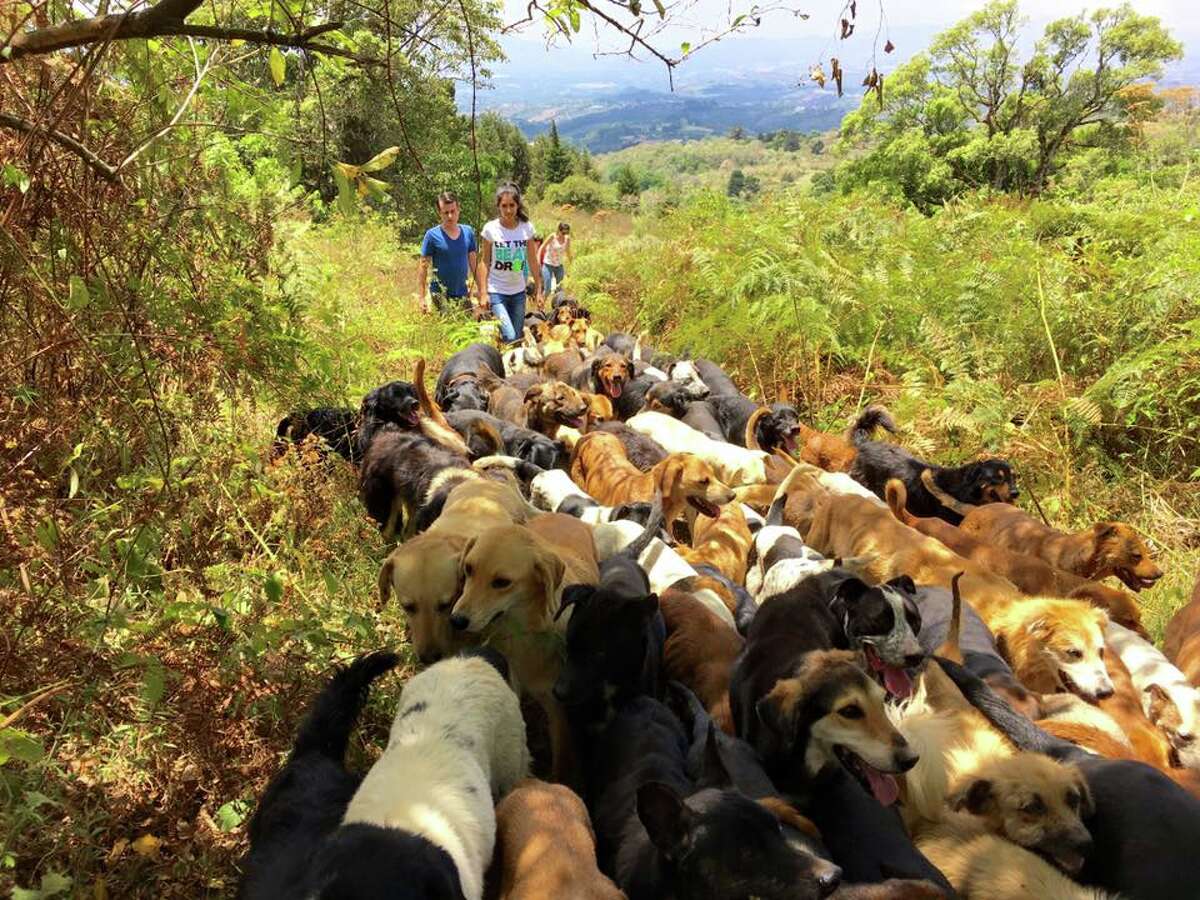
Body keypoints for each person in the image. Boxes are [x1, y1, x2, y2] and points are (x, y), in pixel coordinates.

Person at [478, 182, 541, 344]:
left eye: (512, 205)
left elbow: (533, 260)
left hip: (519, 292)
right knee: (510, 336)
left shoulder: (526, 228)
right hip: (497, 291)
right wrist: (484, 292)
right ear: (498, 206)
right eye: (504, 205)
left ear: (517, 205)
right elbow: (484, 262)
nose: (508, 210)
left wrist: (539, 289)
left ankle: (507, 365)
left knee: (517, 338)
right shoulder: (490, 229)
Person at [417, 191, 481, 315]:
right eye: (446, 212)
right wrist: (421, 297)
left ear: (459, 209)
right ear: (439, 213)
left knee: (466, 331)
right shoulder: (432, 235)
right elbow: (423, 267)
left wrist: (483, 291)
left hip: (462, 293)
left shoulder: (468, 232)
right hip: (439, 294)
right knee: (446, 330)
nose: (450, 216)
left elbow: (474, 264)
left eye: (453, 211)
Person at [539, 222, 572, 297]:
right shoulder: (552, 237)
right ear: (559, 231)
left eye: (567, 233)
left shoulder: (567, 239)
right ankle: (541, 305)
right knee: (547, 289)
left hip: (559, 266)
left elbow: (568, 251)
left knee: (560, 288)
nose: (565, 235)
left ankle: (557, 306)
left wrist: (572, 264)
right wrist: (538, 260)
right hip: (548, 264)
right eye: (563, 233)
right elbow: (542, 247)